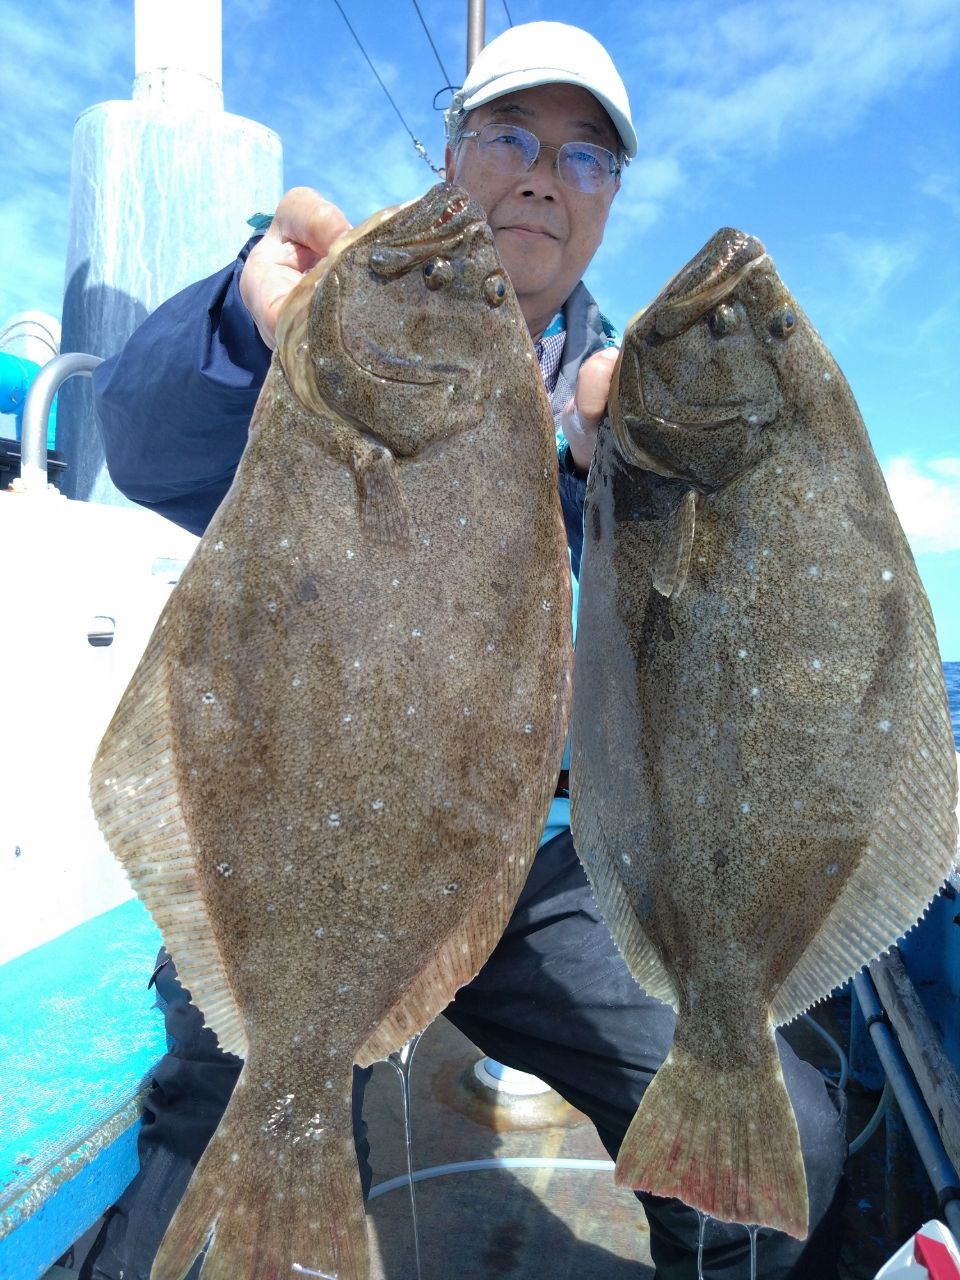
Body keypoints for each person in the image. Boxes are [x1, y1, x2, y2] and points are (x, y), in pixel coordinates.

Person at [80, 22, 848, 1280]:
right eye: (510, 137)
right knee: (228, 1189)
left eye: (585, 157)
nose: (544, 175)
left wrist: (647, 495)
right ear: (452, 153)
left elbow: (728, 672)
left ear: (606, 205)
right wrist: (243, 323)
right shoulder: (328, 322)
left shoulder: (640, 404)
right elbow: (147, 441)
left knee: (786, 1142)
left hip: (540, 872)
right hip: (290, 854)